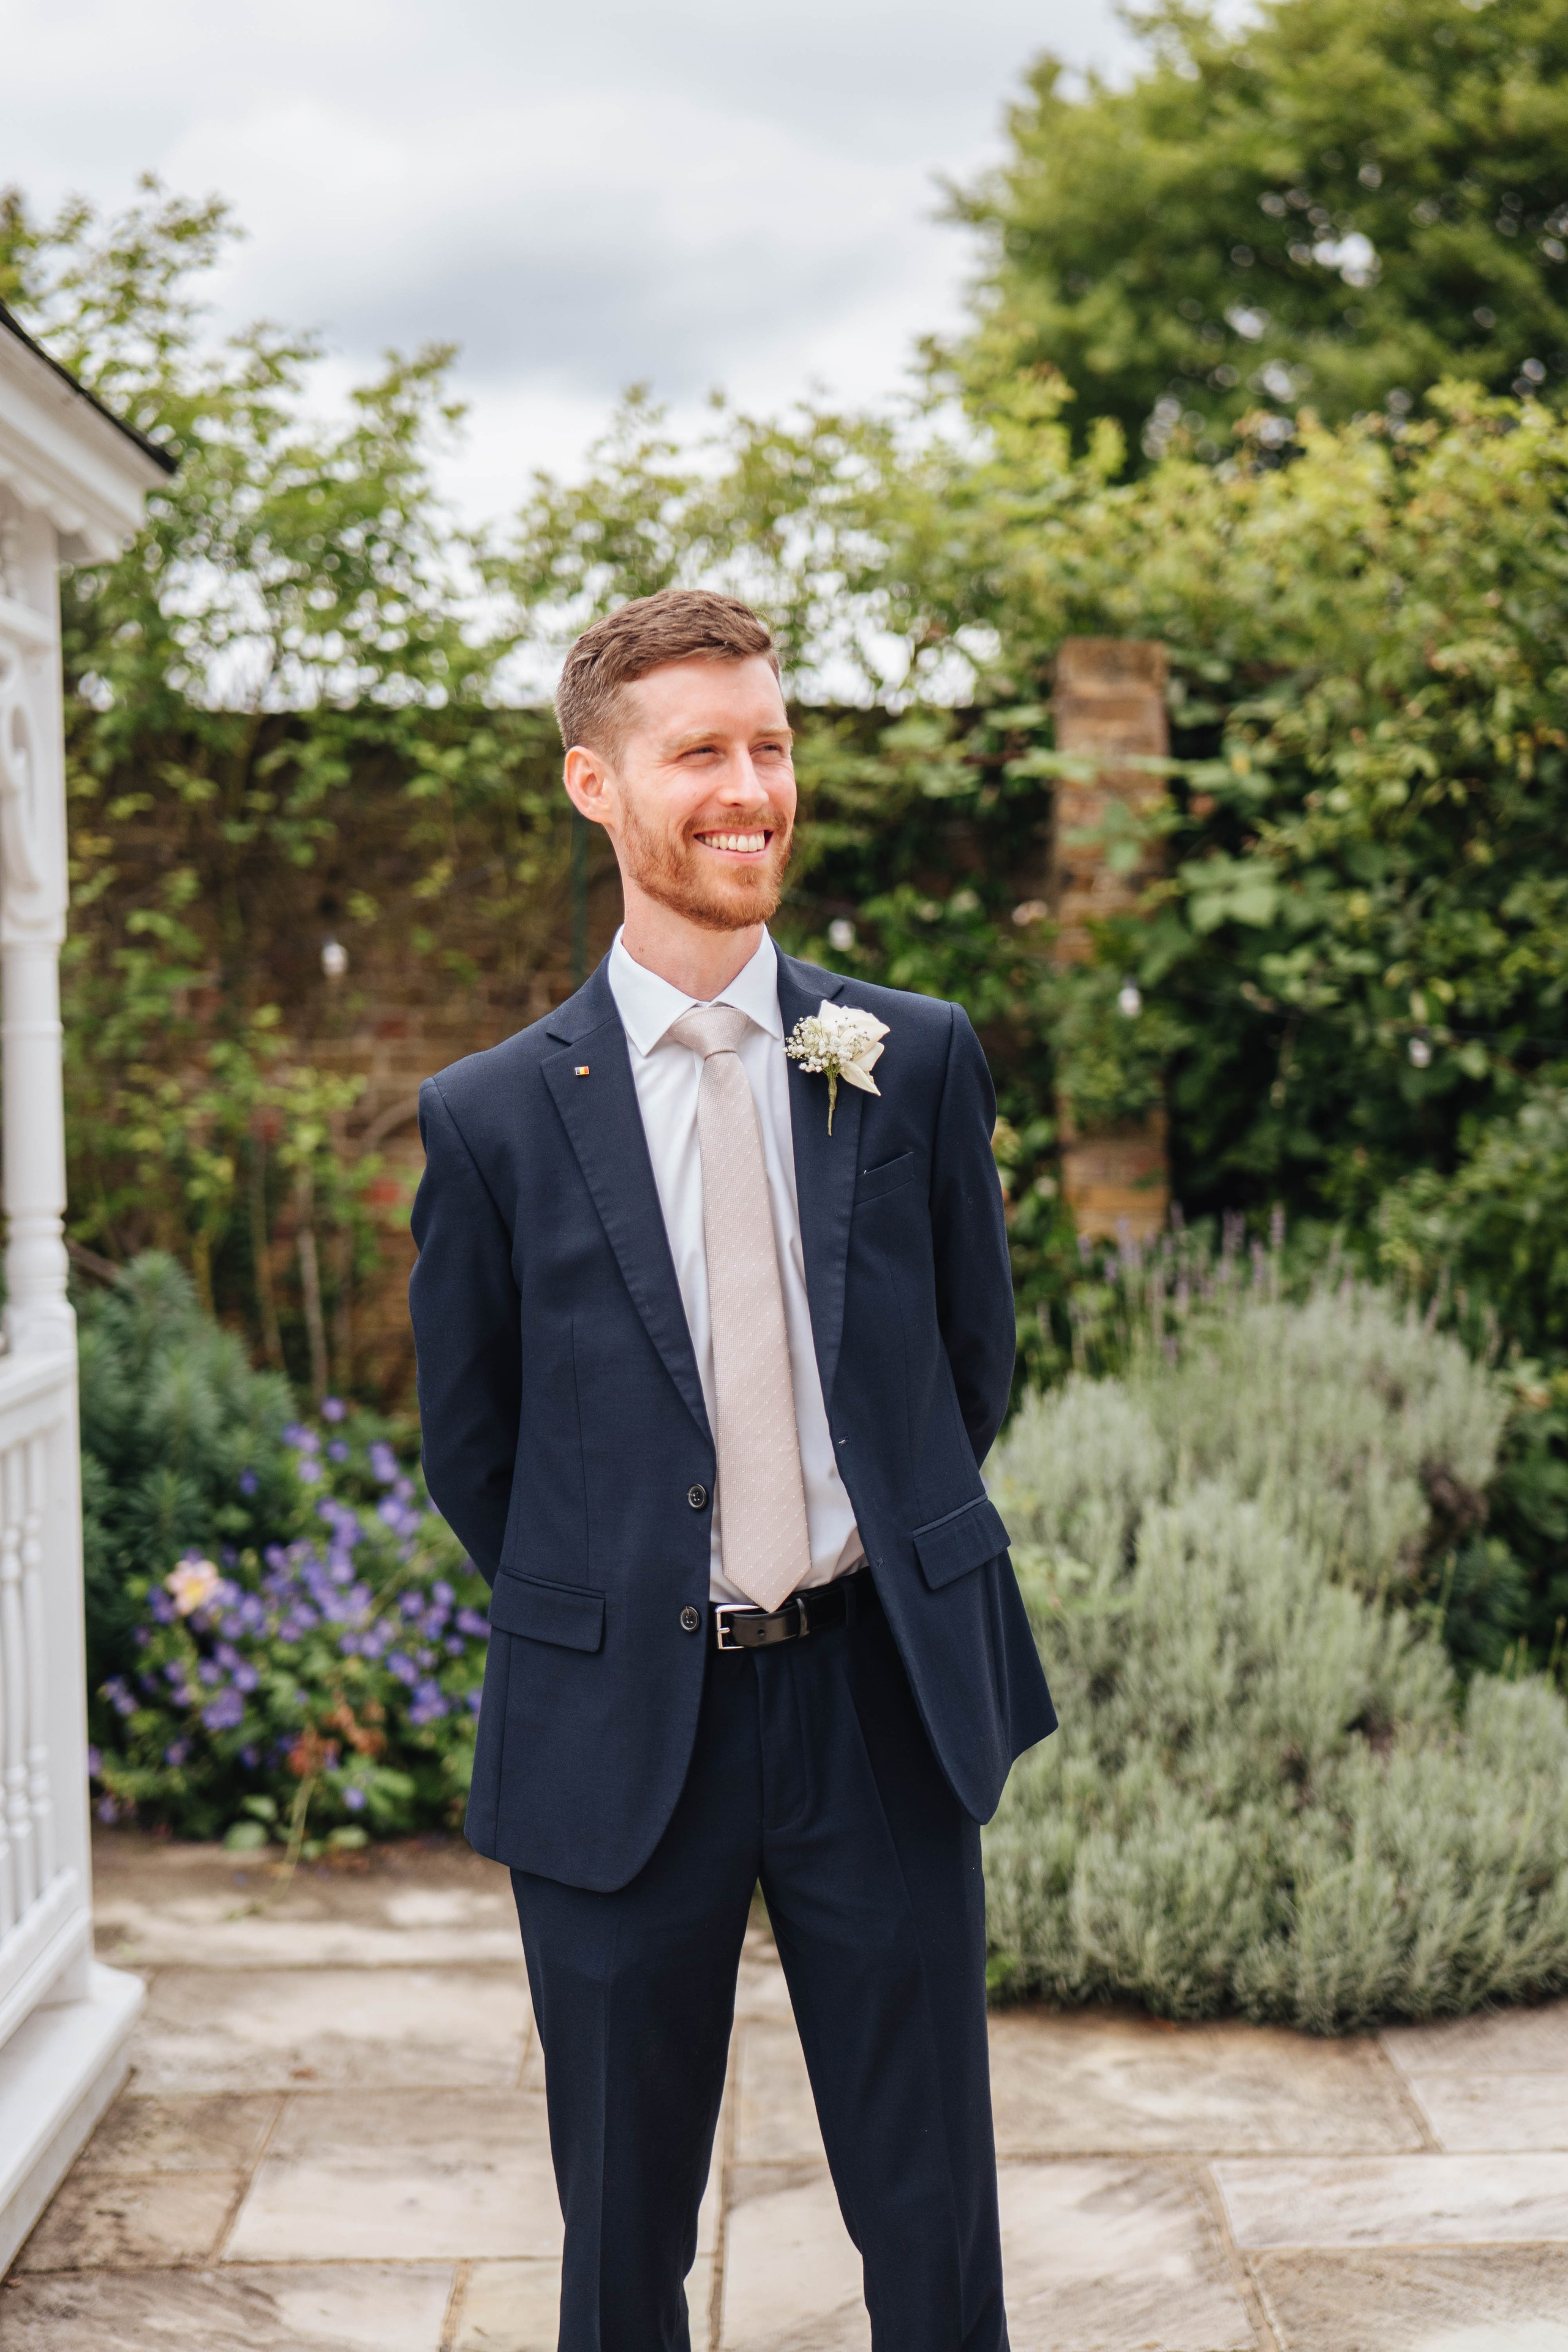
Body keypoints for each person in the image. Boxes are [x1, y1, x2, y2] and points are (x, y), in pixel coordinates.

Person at [409, 587, 1055, 2351]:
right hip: (622, 1725)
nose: (749, 787)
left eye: (769, 745)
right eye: (700, 751)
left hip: (880, 1699)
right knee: (622, 2237)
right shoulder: (488, 1117)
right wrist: (626, 1588)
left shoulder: (908, 1057)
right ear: (595, 787)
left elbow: (968, 1366)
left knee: (934, 2217)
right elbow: (475, 1440)